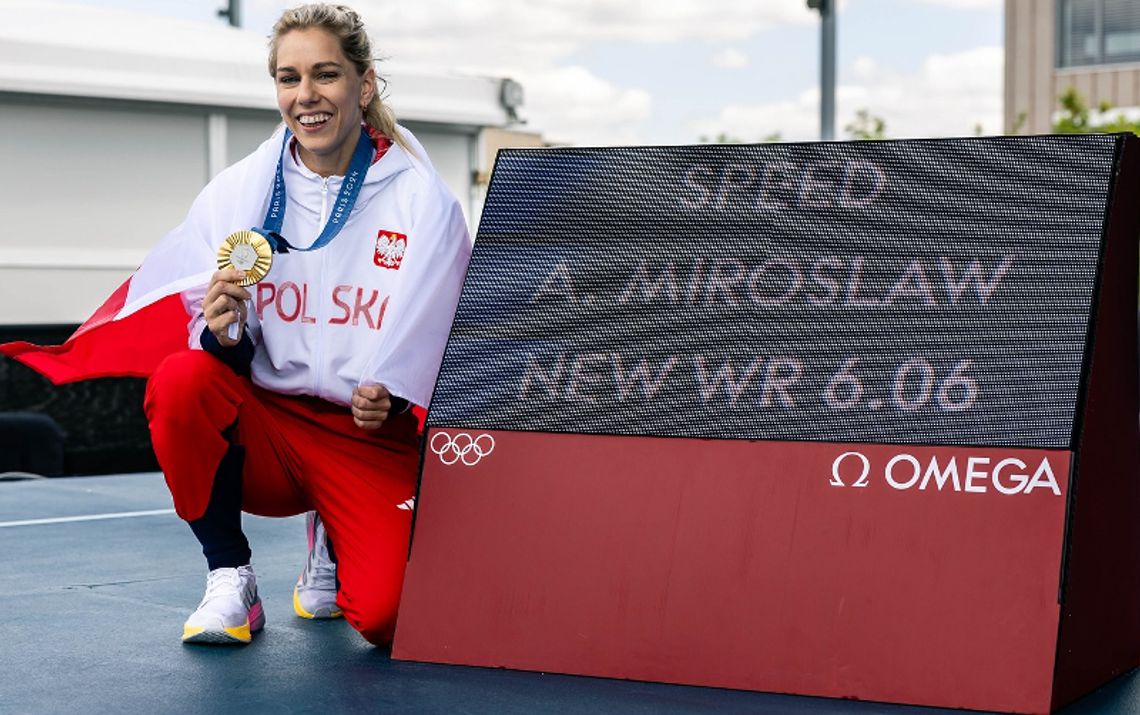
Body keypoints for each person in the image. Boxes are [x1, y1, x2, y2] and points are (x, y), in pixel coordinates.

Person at [142, 3, 471, 645]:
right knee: (182, 381)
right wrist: (223, 332)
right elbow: (211, 346)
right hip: (273, 425)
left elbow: (450, 334)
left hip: (366, 438)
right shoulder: (238, 192)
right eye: (289, 79)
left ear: (364, 84)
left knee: (386, 619)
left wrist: (398, 395)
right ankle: (230, 576)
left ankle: (332, 533)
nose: (306, 96)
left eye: (326, 74)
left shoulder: (421, 200)